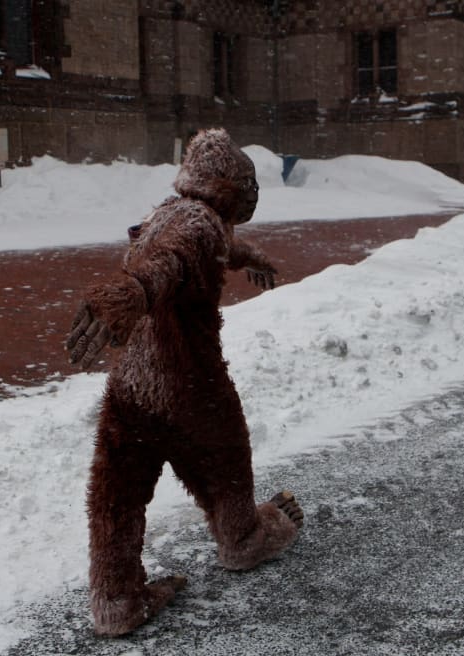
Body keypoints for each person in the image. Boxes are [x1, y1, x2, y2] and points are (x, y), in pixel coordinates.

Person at [66, 128, 303, 636]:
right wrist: (131, 291)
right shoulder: (199, 227)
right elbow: (172, 262)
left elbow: (207, 248)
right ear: (231, 190)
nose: (252, 198)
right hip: (192, 395)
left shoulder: (171, 212)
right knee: (228, 465)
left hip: (132, 390)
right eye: (248, 189)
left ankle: (115, 600)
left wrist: (251, 258)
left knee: (116, 497)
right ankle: (246, 536)